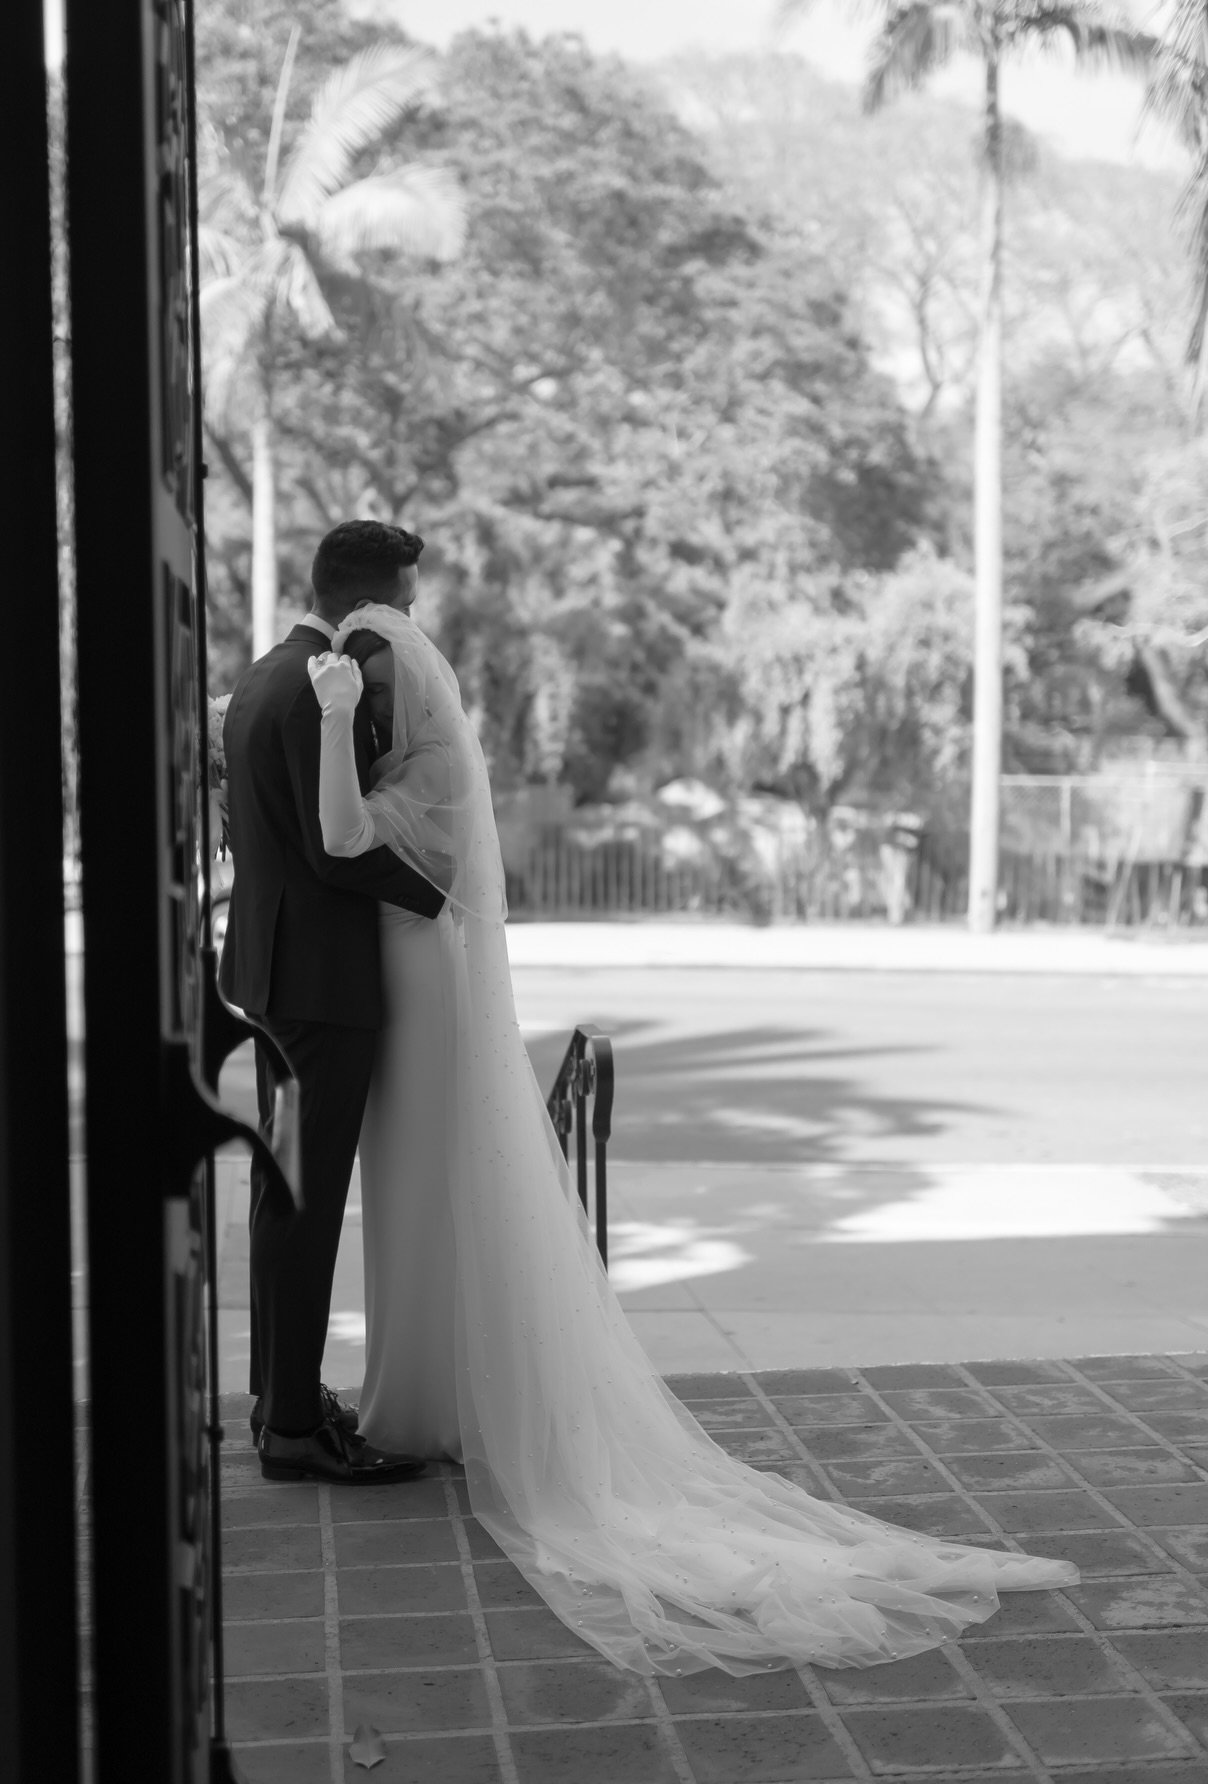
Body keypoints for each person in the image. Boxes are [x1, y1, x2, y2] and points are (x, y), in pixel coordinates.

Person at [305, 604, 1080, 1678]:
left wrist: (335, 720)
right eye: (365, 684)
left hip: (426, 1004)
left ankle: (442, 1404)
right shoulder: (416, 758)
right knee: (410, 1203)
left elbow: (343, 836)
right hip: (406, 993)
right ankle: (424, 1398)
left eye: (379, 684)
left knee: (431, 1196)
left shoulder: (429, 770)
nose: (373, 696)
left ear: (410, 692)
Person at [217, 522, 444, 1486]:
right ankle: (294, 1433)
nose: (408, 621)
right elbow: (329, 844)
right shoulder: (319, 691)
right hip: (319, 988)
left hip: (270, 975)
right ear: (365, 605)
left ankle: (283, 1398)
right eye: (401, 603)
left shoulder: (263, 675)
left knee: (284, 1189)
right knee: (305, 1200)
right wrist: (440, 894)